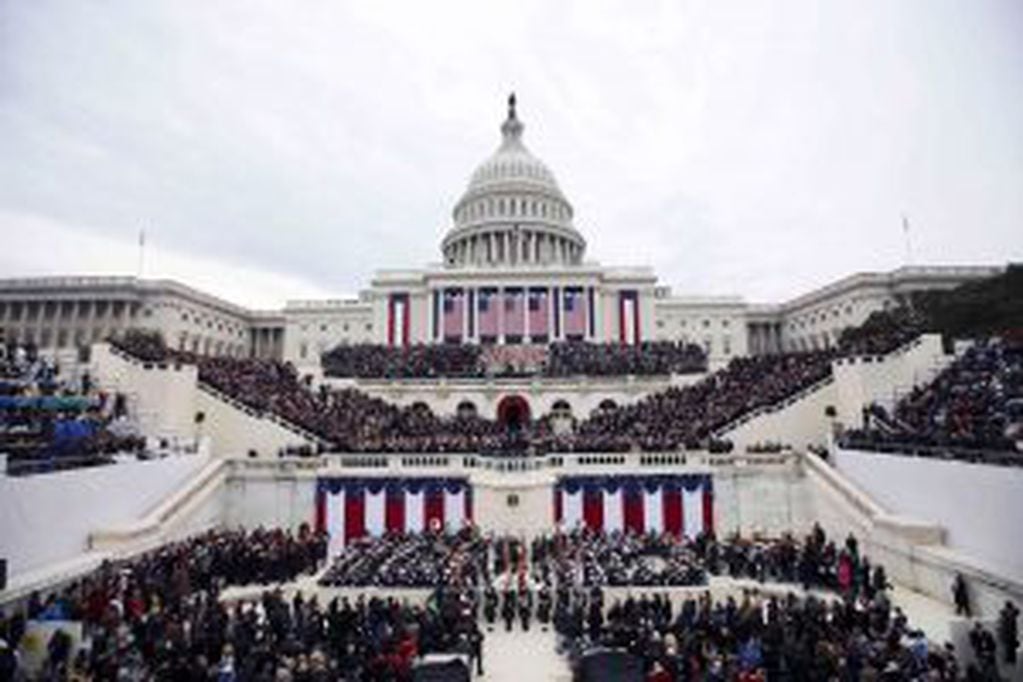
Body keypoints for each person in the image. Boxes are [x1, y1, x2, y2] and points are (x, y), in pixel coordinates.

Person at [999, 600, 1019, 666]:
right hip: (1006, 634)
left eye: (1010, 609)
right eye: (1008, 609)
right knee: (1007, 647)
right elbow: (1002, 624)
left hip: (1011, 635)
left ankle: (1011, 660)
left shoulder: (1012, 616)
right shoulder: (1004, 615)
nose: (1009, 611)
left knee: (1011, 648)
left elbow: (1016, 613)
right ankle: (1008, 660)